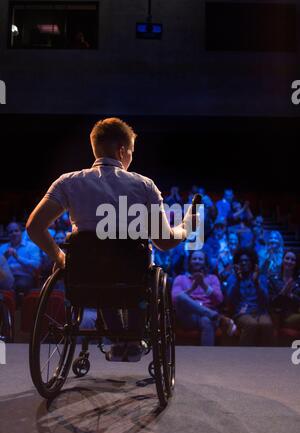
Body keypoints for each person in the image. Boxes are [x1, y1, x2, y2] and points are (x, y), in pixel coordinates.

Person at [26, 117, 194, 361]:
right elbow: (164, 241)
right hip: (131, 276)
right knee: (133, 266)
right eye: (132, 153)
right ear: (122, 151)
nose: (131, 158)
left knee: (99, 267)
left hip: (86, 274)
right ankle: (133, 339)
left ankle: (117, 339)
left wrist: (60, 257)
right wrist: (186, 227)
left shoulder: (68, 182)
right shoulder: (144, 185)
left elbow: (34, 226)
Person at [172, 250, 236, 346]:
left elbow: (219, 300)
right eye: (194, 259)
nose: (197, 261)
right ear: (189, 261)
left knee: (206, 321)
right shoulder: (180, 278)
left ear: (205, 262)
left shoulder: (212, 278)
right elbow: (175, 300)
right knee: (181, 296)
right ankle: (217, 317)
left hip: (207, 315)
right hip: (188, 316)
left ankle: (208, 357)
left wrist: (203, 285)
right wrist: (191, 289)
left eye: (200, 259)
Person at [226, 248, 273, 346]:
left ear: (252, 262)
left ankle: (267, 357)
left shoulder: (260, 277)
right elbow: (228, 299)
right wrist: (238, 281)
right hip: (242, 312)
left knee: (266, 324)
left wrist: (256, 282)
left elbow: (266, 299)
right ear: (237, 264)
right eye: (241, 261)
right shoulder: (233, 278)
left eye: (246, 260)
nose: (243, 263)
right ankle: (245, 357)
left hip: (260, 311)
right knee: (251, 324)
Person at [0, 222, 41, 294]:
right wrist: (4, 257)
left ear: (21, 232)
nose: (14, 234)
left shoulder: (31, 246)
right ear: (8, 235)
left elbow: (37, 264)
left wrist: (18, 258)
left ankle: (16, 304)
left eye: (16, 231)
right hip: (5, 277)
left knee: (20, 285)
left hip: (24, 275)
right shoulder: (3, 248)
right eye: (11, 232)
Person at [268, 250, 300, 330]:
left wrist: (291, 295)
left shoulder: (298, 279)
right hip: (278, 314)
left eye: (293, 260)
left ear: (296, 263)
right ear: (283, 260)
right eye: (287, 258)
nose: (289, 261)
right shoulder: (273, 279)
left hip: (295, 311)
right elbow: (270, 302)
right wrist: (282, 293)